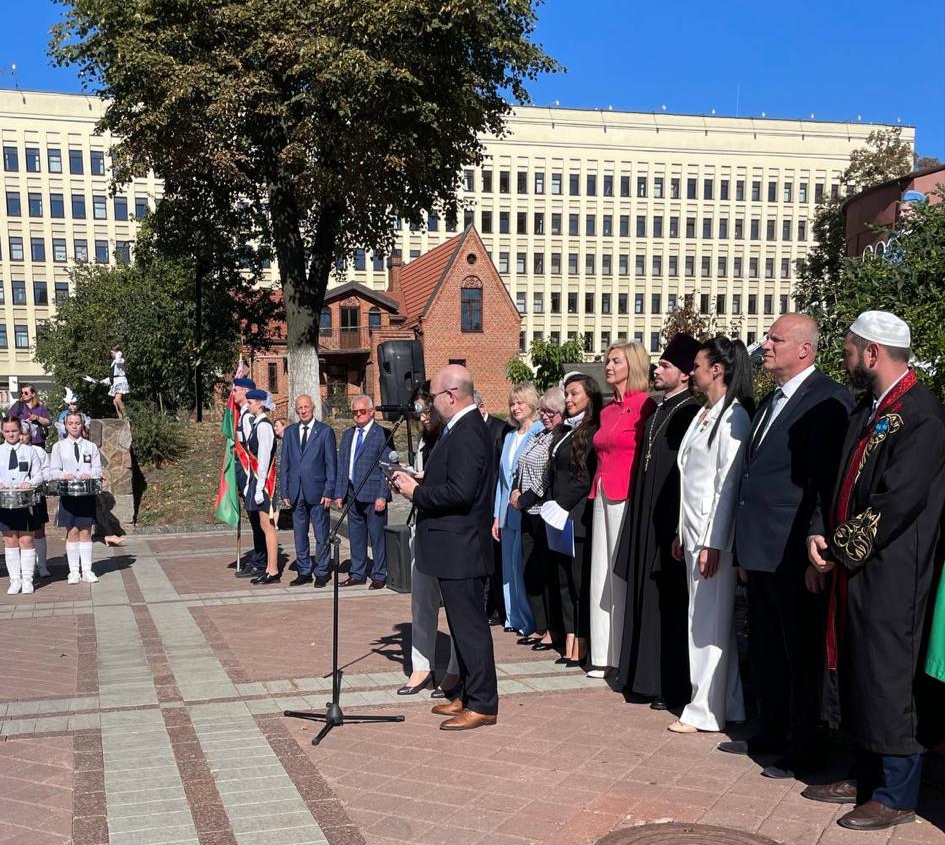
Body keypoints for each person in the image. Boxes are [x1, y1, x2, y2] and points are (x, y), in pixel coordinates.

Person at [804, 311, 945, 832]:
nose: (843, 358)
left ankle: (895, 791)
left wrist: (839, 548)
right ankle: (865, 773)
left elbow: (896, 502)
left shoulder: (921, 415)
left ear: (872, 354)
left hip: (894, 571)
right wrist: (820, 536)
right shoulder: (872, 408)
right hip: (856, 565)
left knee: (888, 675)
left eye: (848, 349)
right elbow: (837, 482)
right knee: (861, 669)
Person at [718, 315, 853, 778]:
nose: (766, 345)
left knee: (801, 653)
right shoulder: (772, 401)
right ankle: (771, 732)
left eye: (776, 339)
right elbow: (753, 476)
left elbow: (825, 482)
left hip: (796, 552)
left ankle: (806, 747)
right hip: (760, 550)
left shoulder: (828, 400)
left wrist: (820, 548)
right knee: (768, 648)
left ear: (804, 350)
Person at [391, 365, 498, 730]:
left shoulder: (468, 431)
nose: (430, 405)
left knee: (470, 629)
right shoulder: (458, 429)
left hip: (463, 547)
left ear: (451, 395)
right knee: (460, 627)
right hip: (453, 547)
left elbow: (462, 492)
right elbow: (453, 479)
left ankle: (483, 703)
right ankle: (467, 693)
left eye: (434, 397)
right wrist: (422, 479)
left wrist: (416, 493)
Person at [614, 333, 701, 710]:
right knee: (643, 596)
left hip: (668, 519)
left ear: (684, 374)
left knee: (665, 602)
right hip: (646, 513)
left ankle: (667, 683)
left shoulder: (689, 411)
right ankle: (638, 674)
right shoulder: (660, 409)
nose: (657, 369)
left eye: (665, 365)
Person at [670, 337, 752, 734]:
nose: (693, 373)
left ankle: (705, 708)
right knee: (705, 621)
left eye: (698, 366)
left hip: (711, 538)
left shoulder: (734, 416)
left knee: (707, 625)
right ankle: (729, 703)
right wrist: (679, 533)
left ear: (717, 369)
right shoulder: (705, 413)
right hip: (693, 532)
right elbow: (692, 478)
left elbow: (727, 483)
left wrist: (713, 541)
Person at [587, 342, 655, 678]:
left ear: (633, 365)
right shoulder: (607, 411)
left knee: (618, 573)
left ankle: (623, 654)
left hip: (625, 494)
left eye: (616, 361)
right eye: (607, 360)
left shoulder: (646, 406)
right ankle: (602, 653)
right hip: (601, 491)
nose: (608, 366)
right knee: (600, 574)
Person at [398, 381, 460, 698]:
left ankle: (454, 670)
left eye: (426, 407)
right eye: (417, 409)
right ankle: (421, 666)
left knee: (454, 606)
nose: (421, 414)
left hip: (449, 533)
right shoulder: (425, 439)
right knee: (421, 602)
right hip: (422, 527)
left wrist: (421, 487)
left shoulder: (454, 436)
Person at [538, 373, 602, 667]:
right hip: (558, 515)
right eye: (567, 394)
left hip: (576, 515)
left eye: (575, 394)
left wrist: (561, 505)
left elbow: (583, 477)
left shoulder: (591, 430)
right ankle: (570, 640)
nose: (569, 400)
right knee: (562, 581)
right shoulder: (565, 430)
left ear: (590, 397)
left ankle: (583, 642)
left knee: (577, 584)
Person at [510, 387, 566, 651]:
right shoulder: (539, 436)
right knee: (529, 571)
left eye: (551, 412)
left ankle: (551, 630)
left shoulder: (559, 438)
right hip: (525, 512)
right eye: (543, 411)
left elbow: (546, 477)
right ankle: (539, 624)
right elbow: (521, 466)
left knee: (545, 574)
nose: (545, 416)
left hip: (542, 511)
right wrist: (515, 492)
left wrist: (524, 499)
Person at [493, 383, 544, 636]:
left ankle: (529, 620)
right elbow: (502, 481)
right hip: (507, 511)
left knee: (522, 567)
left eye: (520, 402)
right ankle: (513, 617)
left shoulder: (539, 431)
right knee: (508, 569)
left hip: (528, 510)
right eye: (512, 403)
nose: (515, 408)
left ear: (532, 403)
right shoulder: (510, 435)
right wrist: (496, 516)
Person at [333, 395, 391, 589]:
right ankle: (357, 572)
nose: (358, 415)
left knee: (377, 537)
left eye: (362, 411)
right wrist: (340, 493)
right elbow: (342, 465)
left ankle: (379, 574)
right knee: (356, 536)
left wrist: (383, 495)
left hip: (374, 494)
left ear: (372, 411)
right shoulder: (349, 434)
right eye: (355, 412)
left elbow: (388, 468)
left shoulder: (383, 434)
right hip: (352, 493)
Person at [280, 395, 337, 587]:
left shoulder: (324, 432)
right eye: (299, 408)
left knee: (321, 534)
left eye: (306, 407)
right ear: (296, 410)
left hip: (318, 491)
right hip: (296, 492)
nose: (303, 411)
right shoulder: (290, 432)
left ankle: (322, 571)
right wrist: (285, 491)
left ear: (313, 408)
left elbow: (331, 464)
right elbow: (285, 464)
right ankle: (304, 571)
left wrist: (329, 491)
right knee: (299, 535)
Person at [50, 412, 103, 585]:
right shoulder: (58, 447)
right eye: (71, 423)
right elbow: (53, 471)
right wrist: (65, 475)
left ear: (82, 425)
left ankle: (87, 570)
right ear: (65, 426)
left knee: (86, 531)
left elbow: (98, 469)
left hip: (86, 494)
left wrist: (91, 474)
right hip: (68, 494)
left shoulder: (91, 446)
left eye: (77, 423)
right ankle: (73, 571)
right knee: (72, 531)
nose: (74, 426)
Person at [477, 390, 512, 625]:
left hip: (495, 503)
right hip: (477, 504)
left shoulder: (500, 429)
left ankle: (496, 609)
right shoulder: (469, 431)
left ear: (481, 408)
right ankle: (483, 605)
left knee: (496, 561)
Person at [0, 416, 43, 594]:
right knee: (10, 540)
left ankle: (27, 580)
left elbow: (39, 476)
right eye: (7, 431)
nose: (11, 434)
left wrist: (30, 483)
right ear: (2, 431)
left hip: (26, 502)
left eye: (14, 431)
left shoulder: (30, 451)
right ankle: (14, 580)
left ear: (20, 431)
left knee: (26, 540)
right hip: (5, 502)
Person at [230, 377, 267, 578]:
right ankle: (258, 559)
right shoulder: (244, 414)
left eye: (235, 390)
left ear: (245, 392)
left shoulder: (249, 417)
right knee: (254, 519)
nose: (233, 393)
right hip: (246, 474)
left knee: (256, 520)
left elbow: (253, 450)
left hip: (250, 475)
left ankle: (260, 562)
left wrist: (251, 482)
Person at [243, 389, 280, 584]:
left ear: (260, 403)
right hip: (258, 480)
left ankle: (272, 570)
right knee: (264, 525)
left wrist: (259, 487)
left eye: (250, 402)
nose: (248, 405)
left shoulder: (264, 426)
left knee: (268, 526)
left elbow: (264, 458)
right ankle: (269, 568)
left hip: (265, 483)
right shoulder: (257, 424)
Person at [20, 422, 51, 579]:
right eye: (20, 433)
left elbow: (47, 472)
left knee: (39, 530)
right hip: (20, 496)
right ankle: (28, 567)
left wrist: (36, 480)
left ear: (30, 435)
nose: (22, 437)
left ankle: (42, 565)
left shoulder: (39, 451)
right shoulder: (13, 452)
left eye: (25, 434)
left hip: (37, 495)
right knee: (21, 532)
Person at [9, 383, 52, 448]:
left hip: (38, 442)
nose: (23, 395)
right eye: (22, 393)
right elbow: (8, 420)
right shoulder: (18, 405)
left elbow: (48, 422)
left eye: (26, 393)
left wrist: (37, 418)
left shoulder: (40, 407)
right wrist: (23, 422)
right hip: (22, 441)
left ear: (33, 394)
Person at [108, 346, 129, 419]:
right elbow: (112, 374)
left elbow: (118, 360)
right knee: (115, 401)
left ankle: (126, 416)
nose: (111, 354)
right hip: (115, 381)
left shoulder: (121, 360)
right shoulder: (113, 362)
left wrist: (118, 352)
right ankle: (120, 416)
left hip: (121, 380)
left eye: (112, 353)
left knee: (117, 399)